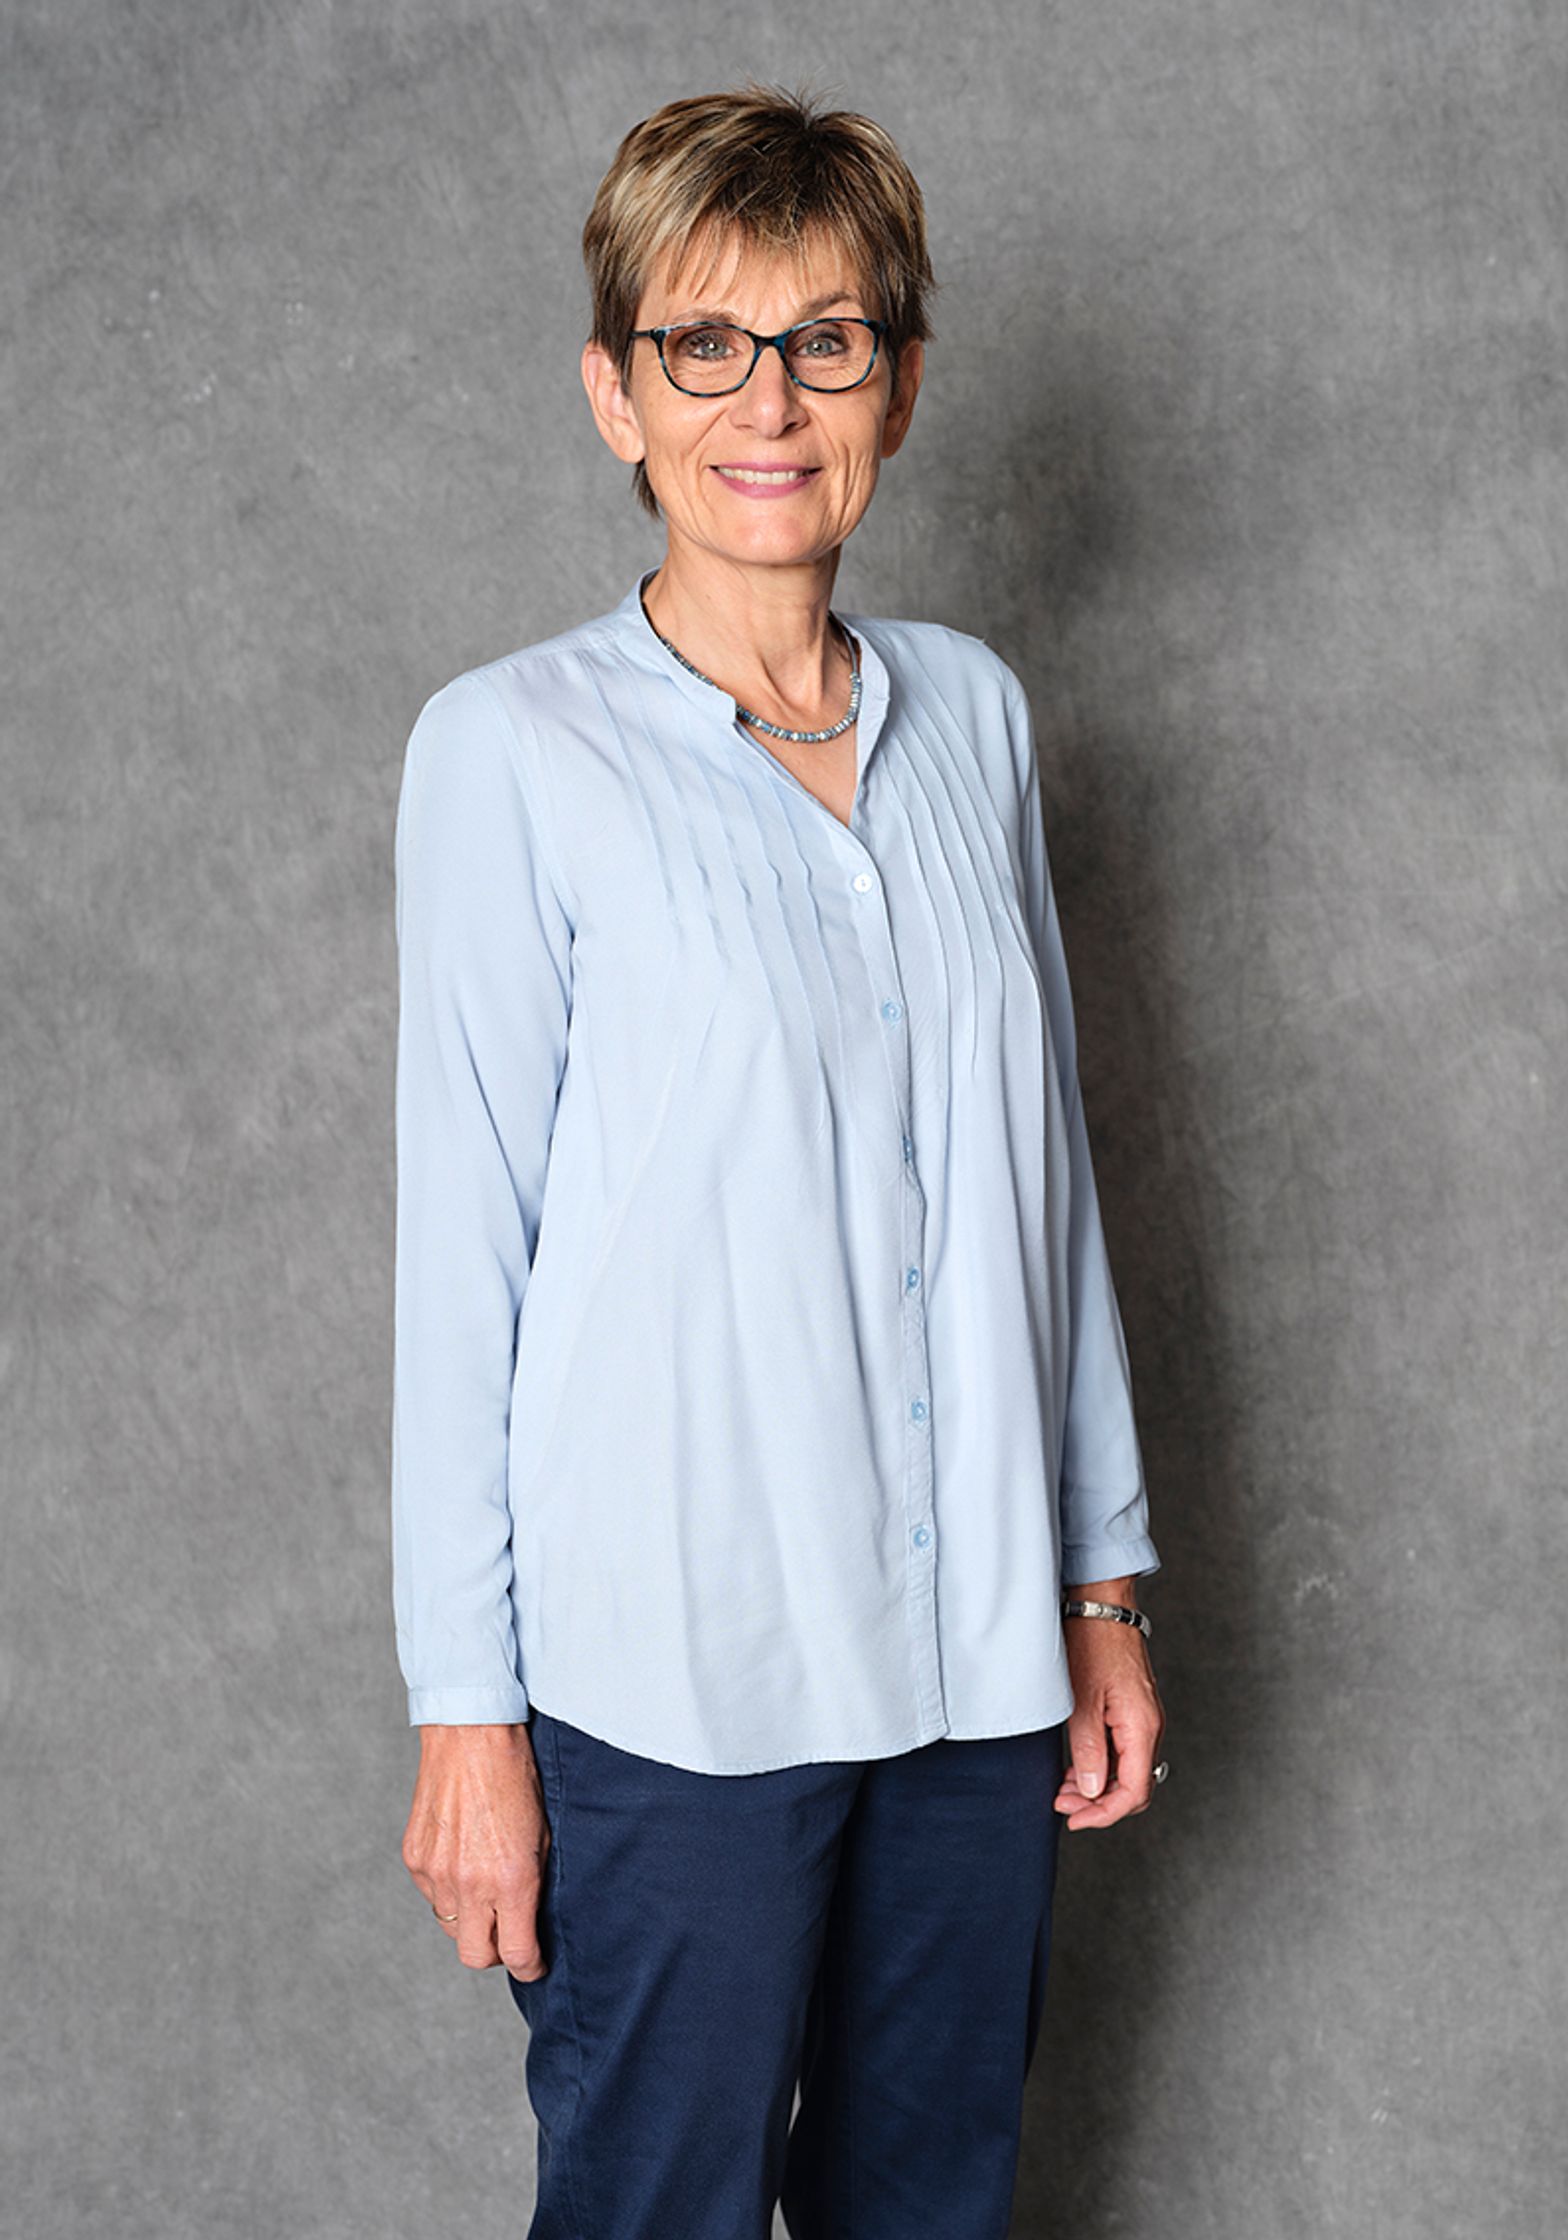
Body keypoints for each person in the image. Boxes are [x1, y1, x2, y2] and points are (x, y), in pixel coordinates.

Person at [390, 80, 1167, 2240]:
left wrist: (1098, 1588)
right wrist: (467, 1716)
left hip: (975, 1661)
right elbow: (466, 1256)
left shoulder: (974, 717)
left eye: (823, 340)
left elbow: (1042, 1190)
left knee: (928, 2206)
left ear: (897, 387)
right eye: (703, 343)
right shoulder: (510, 751)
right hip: (673, 1688)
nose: (767, 400)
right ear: (614, 394)